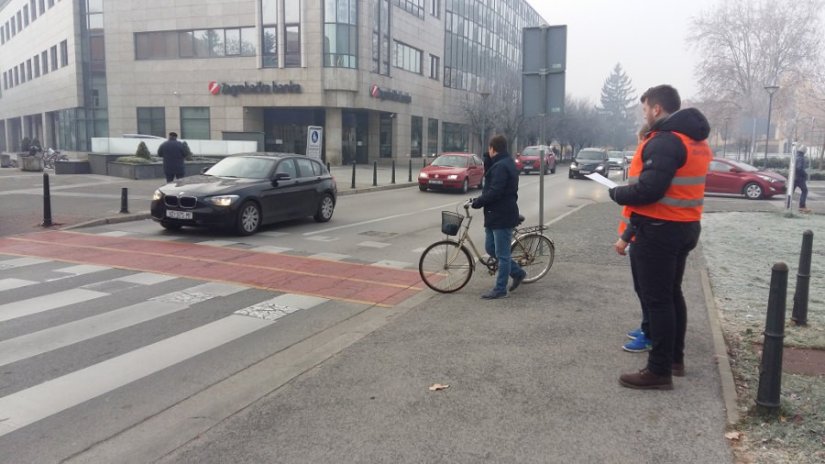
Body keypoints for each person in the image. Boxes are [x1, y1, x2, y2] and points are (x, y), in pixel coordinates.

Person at [608, 85, 712, 390]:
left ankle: (659, 370)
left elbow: (650, 190)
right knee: (672, 294)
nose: (644, 115)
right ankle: (675, 360)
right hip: (685, 225)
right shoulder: (693, 139)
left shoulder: (665, 141)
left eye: (644, 110)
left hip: (659, 230)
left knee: (658, 300)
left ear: (656, 109)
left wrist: (616, 193)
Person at [471, 134, 527, 300]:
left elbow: (495, 191)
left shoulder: (502, 166)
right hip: (494, 215)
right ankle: (518, 272)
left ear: (492, 148)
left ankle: (500, 289)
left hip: (502, 215)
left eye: (489, 149)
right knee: (490, 248)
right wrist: (489, 158)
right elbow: (490, 175)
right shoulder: (501, 163)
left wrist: (478, 202)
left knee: (502, 255)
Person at [616, 123, 652, 353]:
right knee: (643, 289)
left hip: (645, 234)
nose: (639, 144)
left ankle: (650, 334)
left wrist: (626, 237)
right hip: (640, 233)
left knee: (649, 290)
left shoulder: (653, 159)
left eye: (640, 140)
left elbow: (643, 201)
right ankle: (647, 327)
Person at [794, 146, 810, 213]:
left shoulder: (795, 156)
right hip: (799, 178)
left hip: (794, 177)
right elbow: (799, 168)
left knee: (790, 192)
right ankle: (802, 206)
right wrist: (805, 174)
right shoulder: (801, 158)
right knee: (805, 191)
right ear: (804, 151)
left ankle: (787, 205)